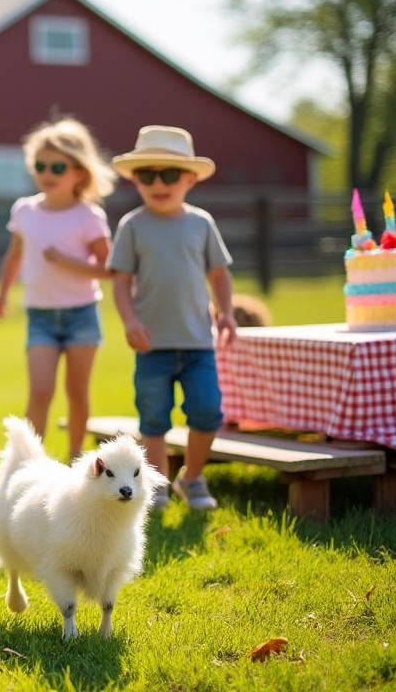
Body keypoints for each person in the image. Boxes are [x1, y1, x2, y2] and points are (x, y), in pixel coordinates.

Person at [107, 125, 236, 511]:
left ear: (191, 178)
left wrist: (226, 311)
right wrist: (129, 321)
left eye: (170, 174)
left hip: (198, 343)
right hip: (152, 345)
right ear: (135, 179)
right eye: (148, 175)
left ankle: (192, 478)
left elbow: (219, 273)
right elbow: (120, 282)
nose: (158, 183)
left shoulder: (201, 223)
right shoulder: (133, 225)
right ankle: (158, 485)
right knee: (153, 420)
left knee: (207, 410)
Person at [0, 118, 115, 460]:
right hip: (41, 316)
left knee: (77, 393)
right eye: (40, 166)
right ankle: (30, 465)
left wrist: (66, 262)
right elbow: (14, 255)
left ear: (79, 171)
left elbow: (110, 269)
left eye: (57, 166)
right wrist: (1, 294)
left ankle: (77, 457)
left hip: (81, 315)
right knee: (41, 392)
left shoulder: (88, 216)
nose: (47, 173)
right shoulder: (25, 210)